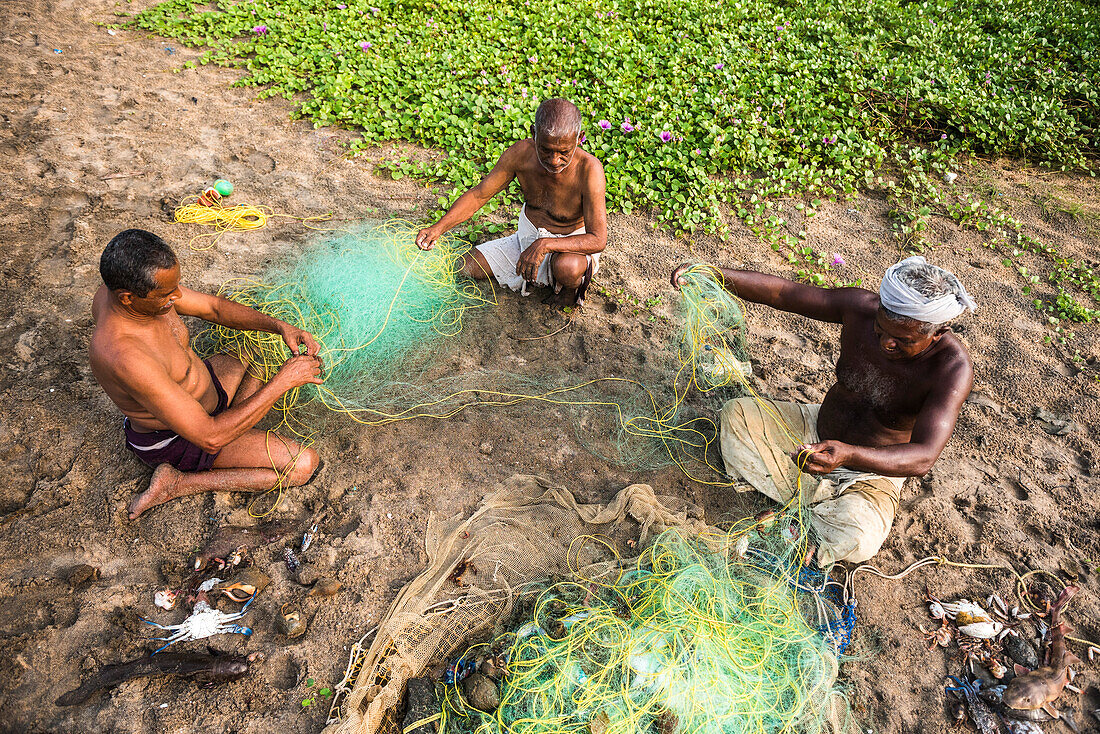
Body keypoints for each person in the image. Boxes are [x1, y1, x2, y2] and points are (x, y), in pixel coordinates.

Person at [671, 256, 976, 565]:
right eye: (881, 329)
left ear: (938, 331)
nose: (887, 343)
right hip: (813, 432)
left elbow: (923, 456)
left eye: (904, 340)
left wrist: (849, 455)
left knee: (859, 537)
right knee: (737, 416)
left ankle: (805, 512)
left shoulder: (952, 368)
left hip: (871, 473)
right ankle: (807, 513)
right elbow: (785, 294)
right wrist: (715, 274)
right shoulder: (860, 309)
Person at [90, 229, 325, 520]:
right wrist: (284, 381)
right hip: (178, 438)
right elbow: (209, 437)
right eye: (166, 294)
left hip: (205, 396)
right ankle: (179, 483)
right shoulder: (125, 356)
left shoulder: (137, 293)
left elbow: (214, 308)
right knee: (303, 464)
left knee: (255, 353)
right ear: (127, 297)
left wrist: (280, 326)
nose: (176, 297)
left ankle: (236, 426)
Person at [415, 98, 607, 308]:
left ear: (579, 139)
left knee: (567, 268)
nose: (554, 160)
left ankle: (570, 291)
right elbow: (479, 195)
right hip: (525, 242)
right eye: (545, 150)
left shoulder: (590, 169)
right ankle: (535, 265)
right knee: (464, 266)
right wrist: (438, 227)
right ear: (534, 133)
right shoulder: (520, 155)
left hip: (570, 249)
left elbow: (597, 239)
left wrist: (545, 245)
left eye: (563, 152)